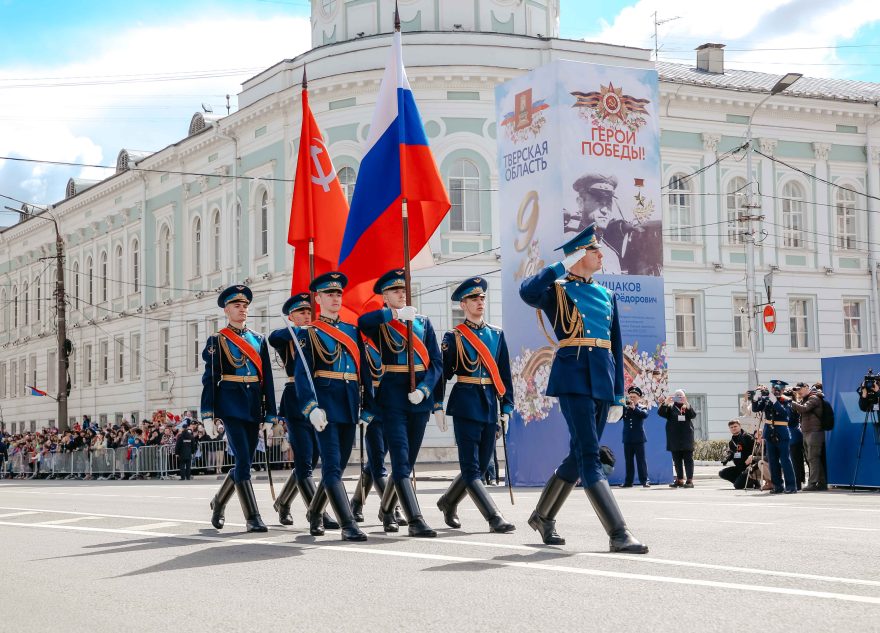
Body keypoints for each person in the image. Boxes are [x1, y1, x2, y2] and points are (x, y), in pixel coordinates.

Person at [519, 223, 648, 554]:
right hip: (573, 375)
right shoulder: (557, 290)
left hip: (602, 378)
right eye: (594, 250)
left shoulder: (607, 295)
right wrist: (561, 266)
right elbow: (527, 291)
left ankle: (543, 516)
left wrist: (618, 394)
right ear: (578, 256)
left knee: (579, 453)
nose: (601, 254)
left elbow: (614, 345)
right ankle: (618, 532)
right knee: (589, 454)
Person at [359, 268, 443, 538]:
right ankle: (416, 519)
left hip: (418, 397)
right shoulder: (382, 323)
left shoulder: (423, 323)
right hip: (392, 396)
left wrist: (425, 390)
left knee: (408, 459)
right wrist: (394, 315)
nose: (401, 293)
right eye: (395, 290)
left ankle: (386, 510)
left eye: (403, 289)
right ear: (384, 296)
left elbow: (436, 363)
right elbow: (363, 322)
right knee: (400, 458)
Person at [434, 277, 515, 533]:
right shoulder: (454, 337)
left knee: (479, 466)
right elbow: (442, 374)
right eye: (473, 299)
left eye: (482, 298)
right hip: (466, 403)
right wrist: (437, 404)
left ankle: (448, 501)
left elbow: (504, 374)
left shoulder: (496, 334)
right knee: (471, 468)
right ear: (463, 304)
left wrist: (507, 408)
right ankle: (494, 517)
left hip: (489, 403)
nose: (480, 302)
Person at [293, 272, 368, 541]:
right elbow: (302, 375)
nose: (335, 298)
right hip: (324, 406)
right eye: (329, 294)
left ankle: (314, 512)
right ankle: (348, 524)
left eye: (338, 294)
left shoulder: (352, 330)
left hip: (349, 403)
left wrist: (368, 406)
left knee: (339, 465)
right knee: (332, 466)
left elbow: (363, 371)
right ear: (318, 299)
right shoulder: (309, 333)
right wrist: (311, 407)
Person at [201, 284, 279, 533]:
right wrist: (208, 414)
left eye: (245, 306)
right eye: (237, 305)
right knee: (243, 459)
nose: (242, 309)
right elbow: (210, 379)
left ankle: (219, 501)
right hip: (231, 404)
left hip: (253, 403)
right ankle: (252, 517)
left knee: (245, 461)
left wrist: (270, 413)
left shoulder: (258, 340)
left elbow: (267, 379)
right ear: (226, 310)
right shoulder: (217, 340)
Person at [267, 292, 339, 532]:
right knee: (304, 461)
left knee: (314, 458)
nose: (307, 316)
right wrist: (299, 329)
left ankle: (283, 502)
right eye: (301, 313)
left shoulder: (317, 334)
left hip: (319, 398)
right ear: (291, 316)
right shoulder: (288, 336)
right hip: (296, 400)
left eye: (309, 312)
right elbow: (273, 337)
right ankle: (317, 512)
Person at [350, 332, 407, 531]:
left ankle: (356, 502)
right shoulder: (363, 347)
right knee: (377, 462)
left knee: (376, 460)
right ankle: (391, 509)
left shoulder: (395, 343)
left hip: (393, 406)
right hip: (373, 406)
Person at [751, 380, 796, 494]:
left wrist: (775, 401)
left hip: (782, 432)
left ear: (783, 390)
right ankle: (777, 485)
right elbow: (756, 409)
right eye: (774, 389)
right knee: (772, 460)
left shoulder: (787, 400)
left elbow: (785, 414)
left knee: (785, 460)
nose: (776, 391)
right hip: (769, 432)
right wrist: (756, 398)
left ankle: (791, 486)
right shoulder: (767, 400)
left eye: (779, 389)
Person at [791, 382, 827, 491]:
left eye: (800, 389)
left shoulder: (814, 398)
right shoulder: (805, 399)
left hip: (815, 432)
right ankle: (821, 482)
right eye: (797, 390)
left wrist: (790, 401)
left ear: (807, 387)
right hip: (807, 432)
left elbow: (804, 408)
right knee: (812, 458)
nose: (798, 391)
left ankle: (812, 483)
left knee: (813, 458)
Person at [658, 389, 696, 488]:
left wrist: (686, 403)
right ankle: (679, 480)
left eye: (681, 396)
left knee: (688, 460)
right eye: (677, 396)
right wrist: (666, 402)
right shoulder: (670, 408)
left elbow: (693, 415)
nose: (679, 398)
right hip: (674, 438)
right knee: (677, 461)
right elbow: (661, 413)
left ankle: (689, 481)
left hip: (686, 438)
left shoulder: (686, 407)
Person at [621, 386, 650, 488]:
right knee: (628, 461)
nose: (632, 399)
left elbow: (644, 415)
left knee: (641, 461)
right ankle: (628, 482)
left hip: (639, 438)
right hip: (627, 438)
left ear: (639, 398)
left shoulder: (642, 407)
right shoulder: (624, 408)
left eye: (634, 397)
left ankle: (645, 481)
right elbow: (618, 417)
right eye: (630, 397)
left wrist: (634, 408)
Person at [718, 419, 756, 489]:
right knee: (722, 473)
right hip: (739, 467)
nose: (733, 428)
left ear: (740, 426)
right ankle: (744, 482)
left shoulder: (747, 437)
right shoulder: (731, 442)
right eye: (731, 427)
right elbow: (734, 453)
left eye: (735, 426)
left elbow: (755, 451)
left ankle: (753, 482)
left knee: (737, 486)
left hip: (749, 468)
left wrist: (752, 459)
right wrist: (727, 458)